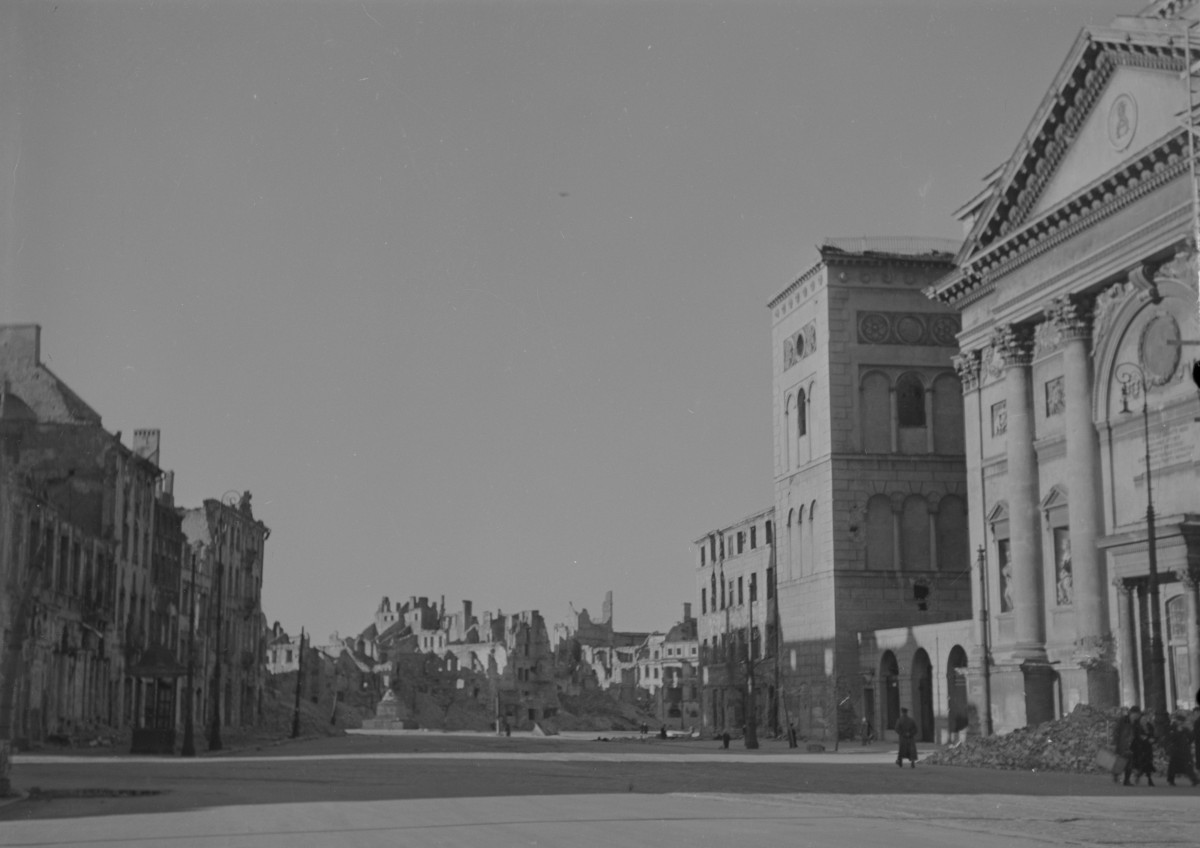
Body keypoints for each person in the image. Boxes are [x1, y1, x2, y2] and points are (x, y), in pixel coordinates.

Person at [1131, 710, 1157, 787]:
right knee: (1141, 764)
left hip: (1148, 748)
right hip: (1139, 748)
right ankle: (1140, 776)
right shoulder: (1137, 726)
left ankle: (1148, 779)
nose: (1144, 720)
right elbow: (1137, 736)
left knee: (1148, 764)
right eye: (1143, 719)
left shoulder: (1150, 726)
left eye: (1146, 719)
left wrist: (1153, 740)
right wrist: (1145, 739)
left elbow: (1153, 735)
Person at [1112, 706, 1137, 785]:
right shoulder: (1123, 720)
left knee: (1129, 762)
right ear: (1131, 713)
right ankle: (1116, 774)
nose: (1136, 716)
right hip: (1122, 745)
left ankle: (1126, 780)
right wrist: (1115, 743)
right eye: (1135, 714)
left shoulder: (1135, 722)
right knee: (1122, 761)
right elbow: (1117, 731)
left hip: (1130, 745)